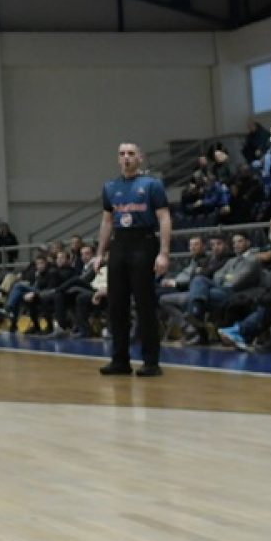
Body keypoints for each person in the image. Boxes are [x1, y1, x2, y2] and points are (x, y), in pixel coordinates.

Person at [94, 142, 172, 376]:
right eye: (122, 154)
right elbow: (107, 221)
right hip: (119, 245)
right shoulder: (110, 187)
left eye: (130, 153)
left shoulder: (152, 185)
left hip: (143, 243)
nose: (126, 157)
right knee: (117, 305)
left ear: (140, 158)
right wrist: (100, 253)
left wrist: (164, 253)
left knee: (145, 304)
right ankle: (120, 360)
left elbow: (164, 218)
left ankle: (151, 362)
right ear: (118, 159)